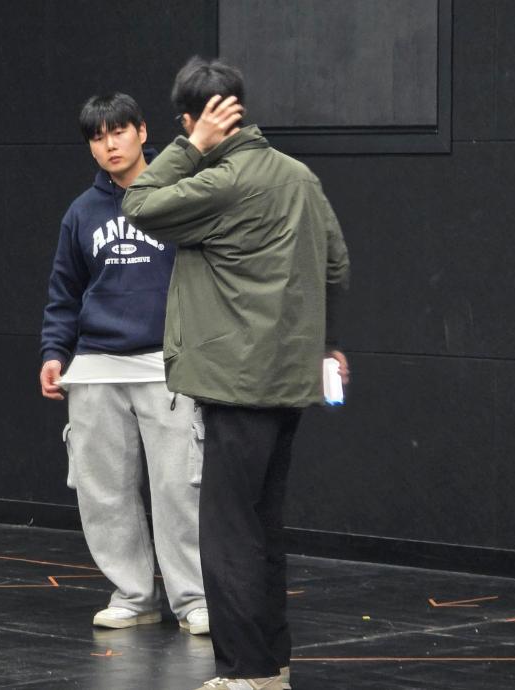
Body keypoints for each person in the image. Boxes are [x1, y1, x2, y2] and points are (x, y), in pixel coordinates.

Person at [123, 58, 350, 690]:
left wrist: (189, 148)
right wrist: (329, 343)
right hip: (288, 383)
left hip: (234, 384)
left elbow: (138, 202)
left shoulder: (221, 182)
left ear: (192, 120)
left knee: (227, 534)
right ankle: (271, 667)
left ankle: (245, 672)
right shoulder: (300, 177)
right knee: (263, 528)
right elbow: (337, 266)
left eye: (188, 126)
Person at [40, 93, 208, 636]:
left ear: (141, 131)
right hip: (96, 366)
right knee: (103, 490)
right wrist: (54, 353)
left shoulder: (178, 195)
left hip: (166, 363)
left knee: (178, 489)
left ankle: (193, 599)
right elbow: (64, 292)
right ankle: (133, 595)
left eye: (118, 132)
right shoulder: (81, 213)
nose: (109, 145)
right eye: (97, 137)